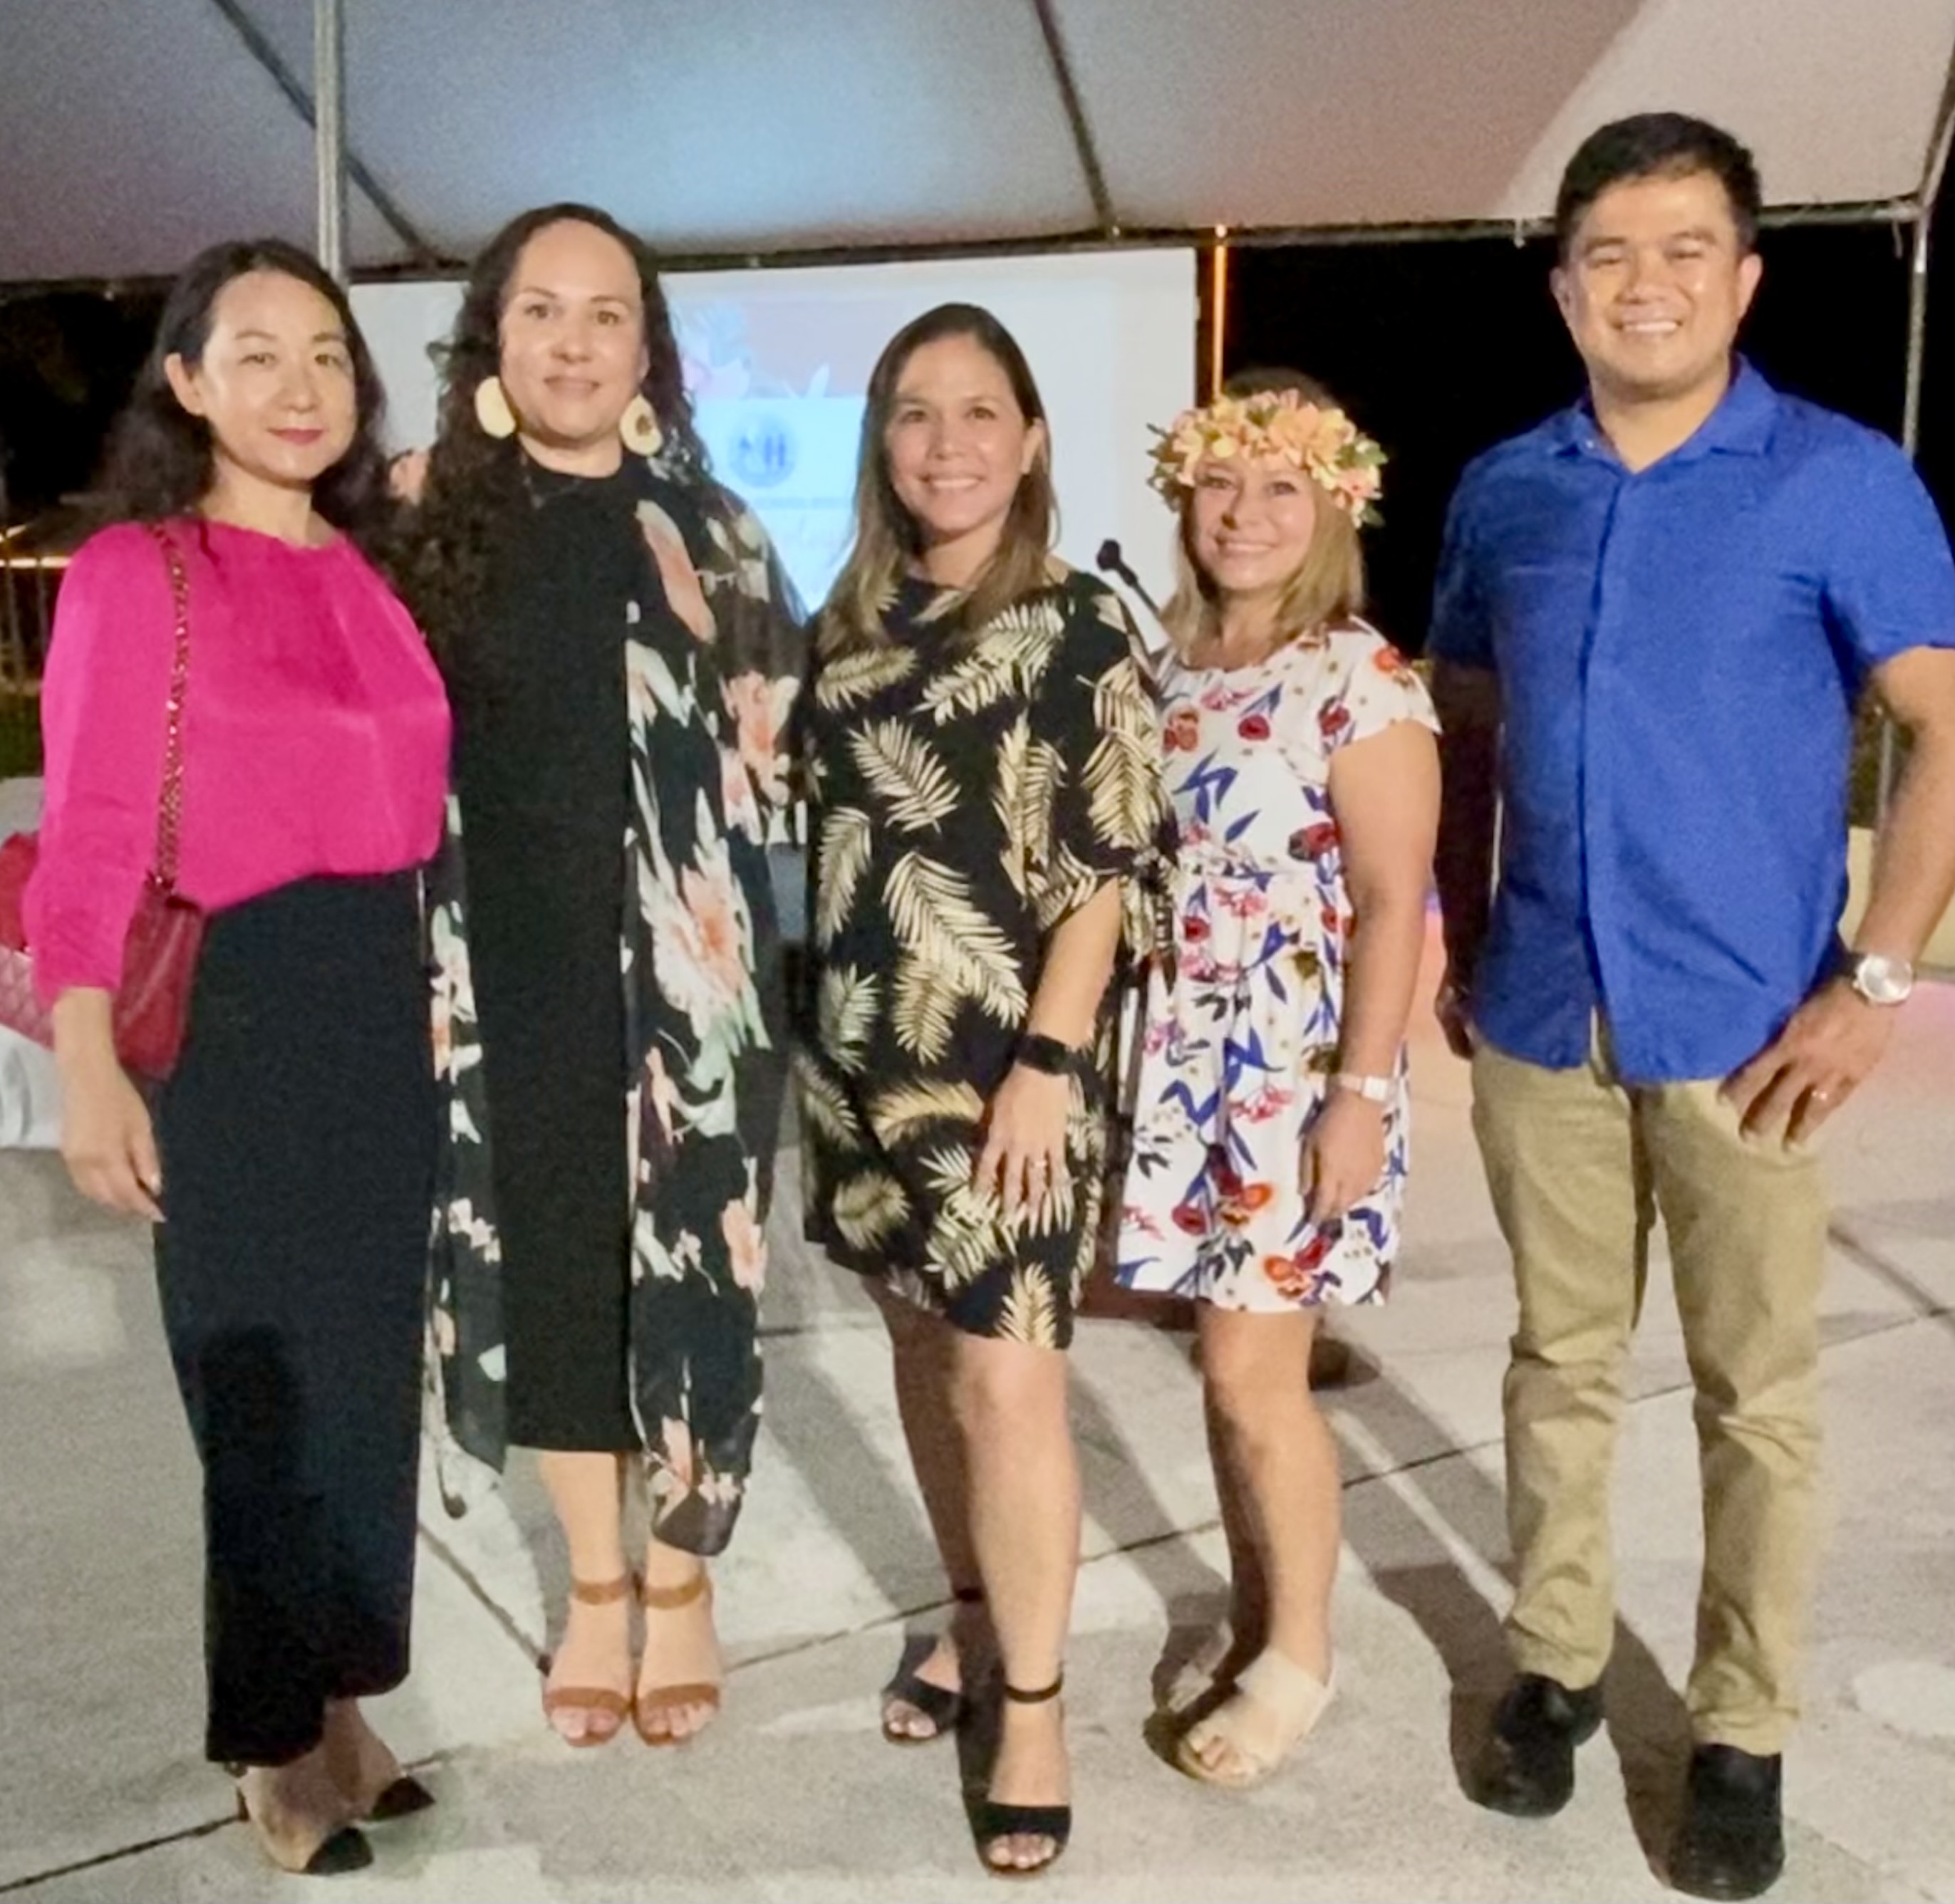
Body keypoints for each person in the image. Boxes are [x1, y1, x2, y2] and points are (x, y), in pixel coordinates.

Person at [1430, 113, 1955, 1901]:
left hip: (1749, 1030)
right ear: (1563, 285)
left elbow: (1945, 729)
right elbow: (1473, 730)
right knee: (1557, 1366)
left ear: (1740, 277)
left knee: (1755, 1394)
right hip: (1539, 1009)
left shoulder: (1837, 479)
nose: (1641, 284)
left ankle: (1740, 1729)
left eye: (1681, 251)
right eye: (1606, 254)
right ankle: (1557, 1667)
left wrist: (1872, 978)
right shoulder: (1508, 488)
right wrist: (1450, 922)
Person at [26, 240, 449, 1876]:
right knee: (262, 1397)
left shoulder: (366, 569)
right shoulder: (144, 570)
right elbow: (95, 824)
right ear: (188, 381)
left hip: (377, 1004)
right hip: (236, 1014)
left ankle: (346, 1692)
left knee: (363, 1394)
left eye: (328, 355)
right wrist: (84, 1050)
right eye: (256, 353)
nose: (300, 387)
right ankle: (271, 1739)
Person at [403, 205, 802, 1752]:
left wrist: (717, 657)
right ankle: (593, 1579)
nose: (574, 343)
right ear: (492, 341)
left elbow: (784, 761)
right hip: (503, 964)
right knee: (557, 1262)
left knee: (695, 1267)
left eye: (606, 315)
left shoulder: (713, 528)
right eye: (541, 313)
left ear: (649, 346)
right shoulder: (431, 517)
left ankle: (684, 1580)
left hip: (692, 975)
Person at [800, 303, 1166, 1876]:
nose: (945, 441)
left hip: (1008, 1074)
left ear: (1027, 440)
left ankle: (1030, 1699)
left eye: (978, 411)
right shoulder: (849, 626)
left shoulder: (1076, 623)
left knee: (1009, 1377)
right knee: (919, 1348)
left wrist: (1047, 1062)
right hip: (855, 1061)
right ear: (882, 443)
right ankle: (965, 1617)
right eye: (912, 412)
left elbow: (1103, 871)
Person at [1114, 373, 1438, 1785]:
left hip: (1290, 1061)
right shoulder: (1176, 666)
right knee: (1223, 1361)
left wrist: (1358, 1093)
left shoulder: (1357, 672)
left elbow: (1390, 888)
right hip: (1182, 1054)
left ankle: (1299, 1653)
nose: (1242, 514)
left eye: (1278, 489)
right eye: (1221, 485)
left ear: (1330, 510)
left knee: (1256, 1368)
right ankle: (1260, 1612)